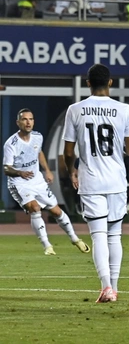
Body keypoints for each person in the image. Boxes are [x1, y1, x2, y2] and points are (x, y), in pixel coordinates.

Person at [62, 64, 129, 303]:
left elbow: (68, 151)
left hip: (91, 180)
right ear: (111, 83)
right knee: (115, 236)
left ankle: (106, 287)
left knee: (98, 235)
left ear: (87, 84)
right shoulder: (124, 109)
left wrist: (73, 170)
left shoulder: (75, 110)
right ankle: (113, 289)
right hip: (116, 180)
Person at [3, 109, 90, 256]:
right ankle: (47, 245)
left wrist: (47, 170)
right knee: (35, 208)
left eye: (31, 119)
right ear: (18, 122)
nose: (28, 122)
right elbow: (6, 168)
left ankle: (75, 239)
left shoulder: (38, 137)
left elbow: (39, 152)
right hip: (19, 182)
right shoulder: (11, 143)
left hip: (37, 180)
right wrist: (19, 172)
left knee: (56, 211)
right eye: (24, 119)